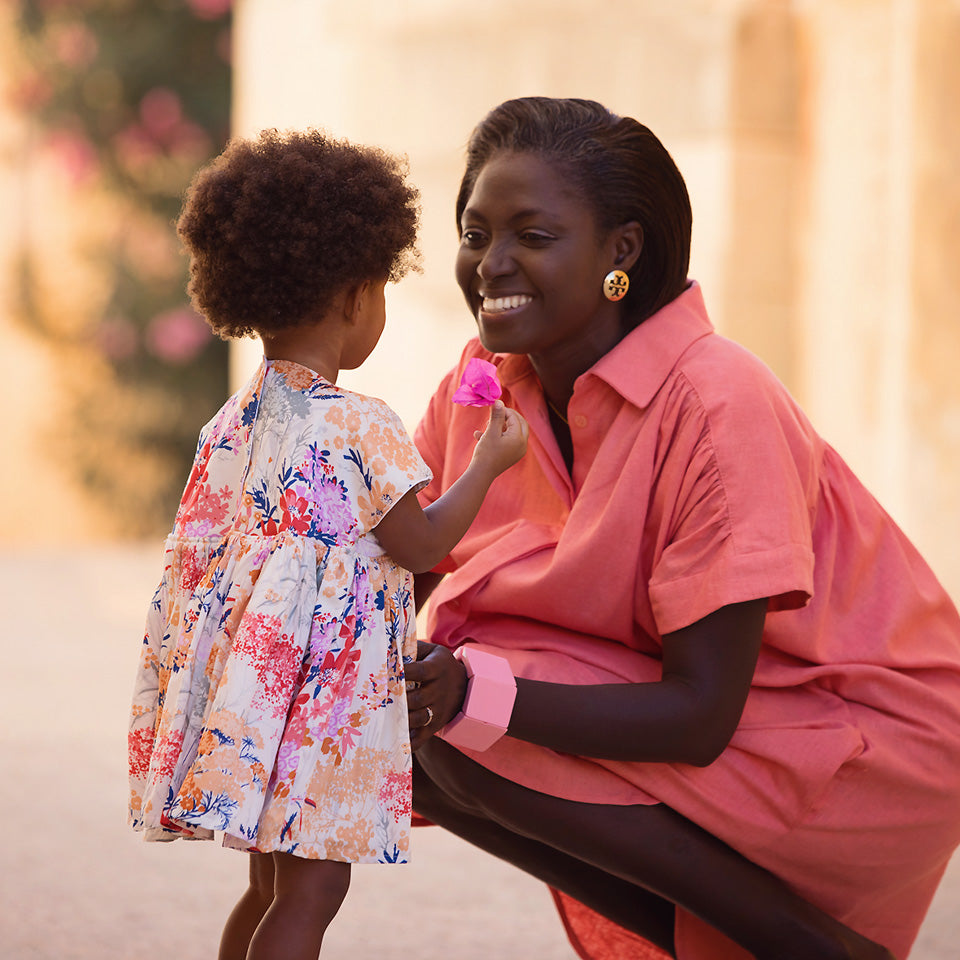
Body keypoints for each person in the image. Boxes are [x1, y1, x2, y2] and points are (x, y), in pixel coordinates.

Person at [404, 96, 960, 960]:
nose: (490, 263)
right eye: (475, 233)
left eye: (532, 236)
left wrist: (472, 694)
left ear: (620, 252)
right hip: (727, 714)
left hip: (873, 742)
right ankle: (741, 944)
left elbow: (700, 714)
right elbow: (396, 570)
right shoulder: (481, 384)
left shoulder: (717, 401)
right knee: (392, 731)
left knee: (473, 704)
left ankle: (810, 949)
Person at [127, 128, 528, 960]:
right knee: (316, 885)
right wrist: (487, 463)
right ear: (355, 299)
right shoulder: (360, 424)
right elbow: (420, 545)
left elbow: (198, 556)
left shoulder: (233, 421)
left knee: (270, 883)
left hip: (258, 703)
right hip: (319, 705)